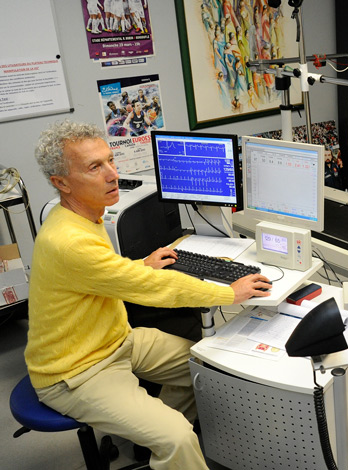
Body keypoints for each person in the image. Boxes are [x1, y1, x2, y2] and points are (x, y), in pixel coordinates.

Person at [26, 120, 272, 470]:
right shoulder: (68, 240)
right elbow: (154, 289)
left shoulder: (82, 217)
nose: (113, 174)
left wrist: (139, 265)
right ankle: (170, 444)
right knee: (178, 438)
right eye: (95, 167)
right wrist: (227, 292)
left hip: (115, 341)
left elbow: (101, 275)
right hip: (76, 371)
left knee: (204, 371)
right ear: (61, 183)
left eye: (110, 161)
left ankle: (157, 444)